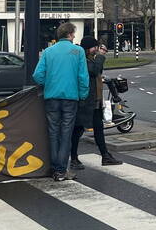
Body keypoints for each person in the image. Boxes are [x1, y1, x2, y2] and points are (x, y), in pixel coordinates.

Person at [33, 23, 90, 182]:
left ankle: (54, 167)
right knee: (66, 133)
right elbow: (83, 77)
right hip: (70, 97)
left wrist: (49, 83)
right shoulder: (77, 51)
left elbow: (38, 75)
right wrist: (82, 94)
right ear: (71, 34)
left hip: (51, 97)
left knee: (53, 132)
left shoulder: (48, 51)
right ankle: (61, 169)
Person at [70, 38, 122, 169]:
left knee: (98, 129)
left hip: (95, 100)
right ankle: (74, 158)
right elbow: (93, 71)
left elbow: (98, 71)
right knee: (78, 129)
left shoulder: (90, 58)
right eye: (95, 47)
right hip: (86, 101)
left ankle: (105, 155)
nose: (97, 50)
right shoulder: (83, 59)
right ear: (89, 48)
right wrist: (100, 57)